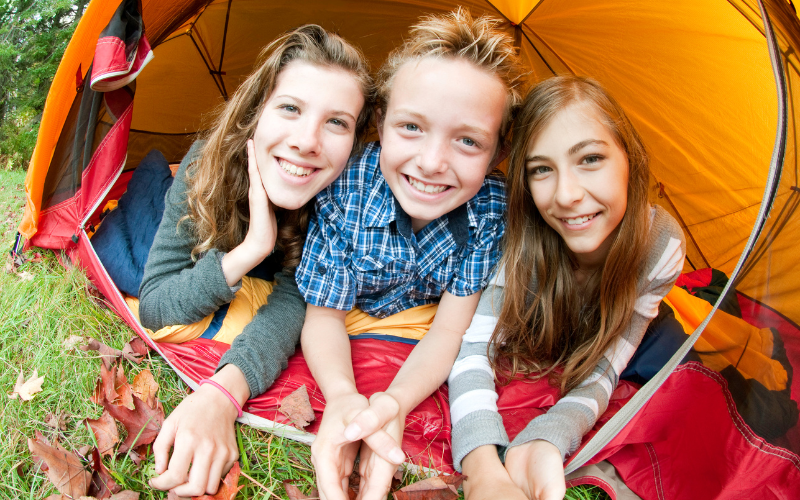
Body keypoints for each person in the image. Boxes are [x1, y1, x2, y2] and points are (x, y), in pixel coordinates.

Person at [295, 9, 525, 500]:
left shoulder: (490, 210)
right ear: (379, 121)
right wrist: (342, 398)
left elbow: (448, 329)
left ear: (498, 152)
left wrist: (394, 404)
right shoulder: (346, 187)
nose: (432, 161)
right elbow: (324, 316)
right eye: (411, 128)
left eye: (467, 141)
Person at [139, 25, 373, 497]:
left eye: (337, 122)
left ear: (356, 141)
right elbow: (155, 303)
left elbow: (296, 303)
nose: (308, 141)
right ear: (256, 112)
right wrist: (250, 250)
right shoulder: (206, 163)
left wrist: (224, 392)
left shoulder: (349, 194)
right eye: (290, 108)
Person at [448, 75, 687, 500]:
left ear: (629, 159)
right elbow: (473, 352)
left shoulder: (661, 243)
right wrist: (482, 467)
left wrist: (548, 437)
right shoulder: (517, 241)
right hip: (552, 320)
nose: (567, 194)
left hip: (638, 330)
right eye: (542, 169)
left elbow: (606, 367)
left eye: (590, 159)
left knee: (681, 388)